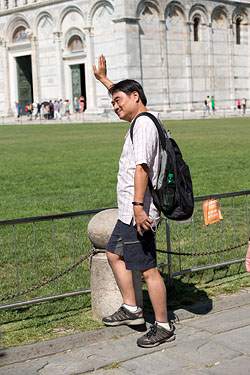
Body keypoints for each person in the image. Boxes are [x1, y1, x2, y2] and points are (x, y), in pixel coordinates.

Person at [93, 55, 175, 348]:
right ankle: (132, 308)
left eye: (118, 101)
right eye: (112, 103)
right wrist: (105, 80)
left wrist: (139, 209)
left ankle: (163, 325)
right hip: (128, 212)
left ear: (135, 97)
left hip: (137, 211)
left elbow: (142, 168)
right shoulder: (148, 117)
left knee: (148, 269)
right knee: (115, 254)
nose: (115, 106)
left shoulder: (142, 125)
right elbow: (124, 91)